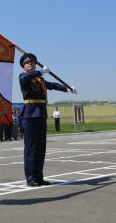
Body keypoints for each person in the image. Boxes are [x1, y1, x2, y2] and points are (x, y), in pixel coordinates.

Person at [19, 53, 77, 187]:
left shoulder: (40, 79)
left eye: (33, 62)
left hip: (41, 113)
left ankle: (39, 176)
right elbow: (26, 79)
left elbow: (52, 85)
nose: (31, 64)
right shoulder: (23, 76)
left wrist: (67, 89)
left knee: (40, 148)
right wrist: (41, 71)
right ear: (24, 66)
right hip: (31, 113)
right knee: (30, 148)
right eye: (28, 63)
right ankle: (30, 177)